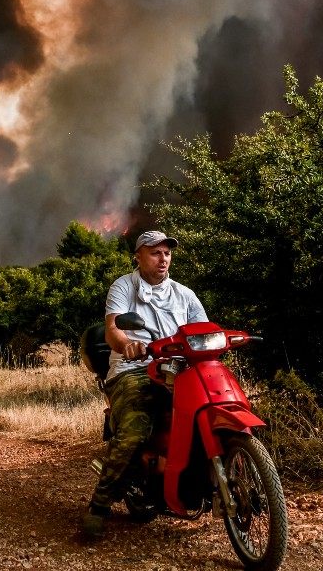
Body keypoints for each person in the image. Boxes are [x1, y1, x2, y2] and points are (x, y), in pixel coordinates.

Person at [82, 230, 208, 539]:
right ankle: (99, 507)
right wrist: (126, 343)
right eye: (155, 253)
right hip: (134, 369)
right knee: (135, 430)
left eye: (166, 253)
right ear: (138, 256)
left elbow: (203, 329)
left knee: (210, 410)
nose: (163, 258)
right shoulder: (124, 287)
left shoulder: (185, 294)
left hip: (179, 369)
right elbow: (113, 328)